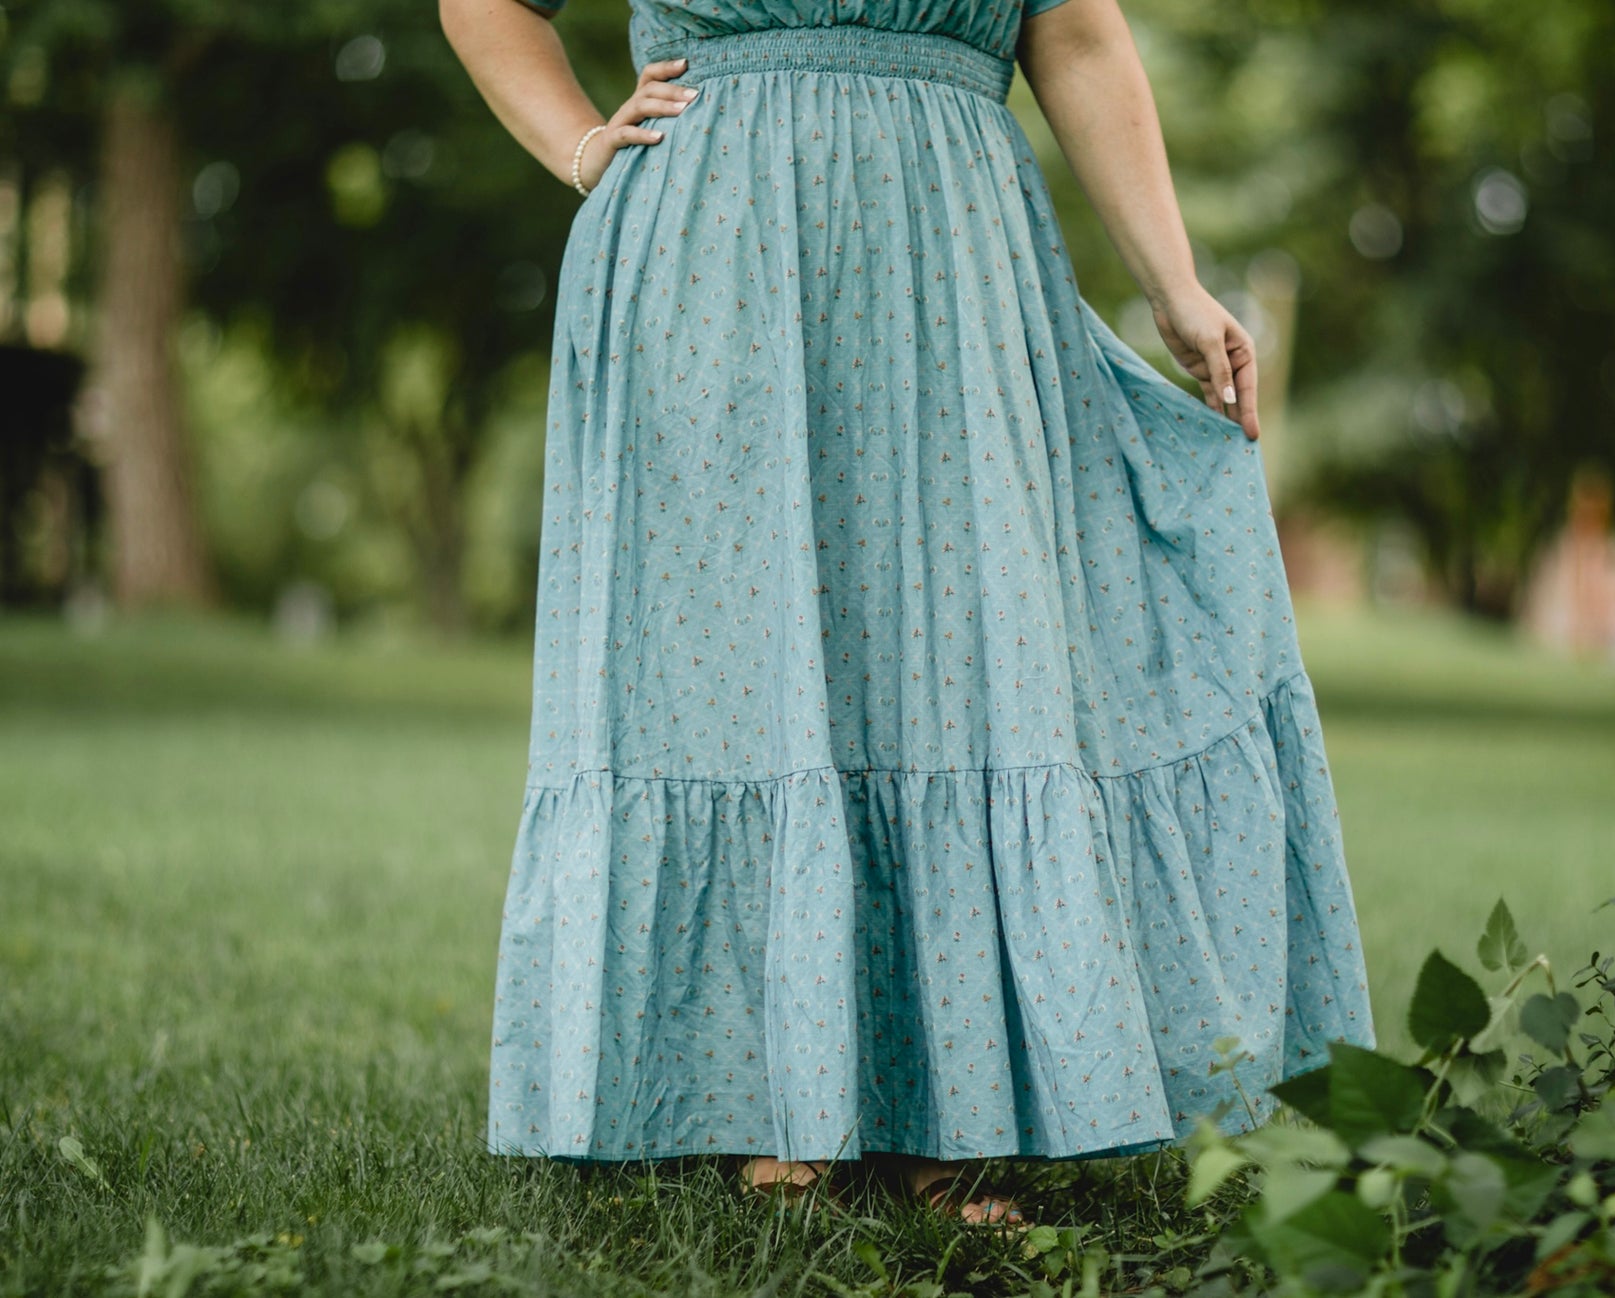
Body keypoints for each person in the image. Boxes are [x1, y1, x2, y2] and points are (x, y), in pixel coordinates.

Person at [441, 0, 1377, 1228]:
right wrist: (575, 143)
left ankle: (944, 1116)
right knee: (742, 672)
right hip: (710, 246)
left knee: (956, 672)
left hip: (950, 256)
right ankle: (780, 1108)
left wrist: (1176, 284)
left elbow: (1080, 38)